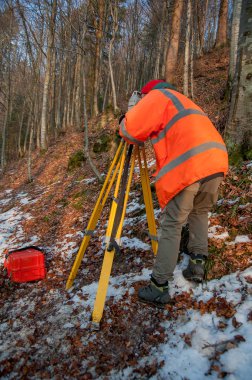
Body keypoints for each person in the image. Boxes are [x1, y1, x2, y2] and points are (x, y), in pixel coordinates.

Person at [119, 79, 228, 306]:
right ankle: (197, 265)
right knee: (199, 213)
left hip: (190, 165)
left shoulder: (158, 97)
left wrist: (125, 118)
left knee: (172, 224)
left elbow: (131, 130)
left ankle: (159, 287)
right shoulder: (183, 101)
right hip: (216, 160)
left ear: (148, 94)